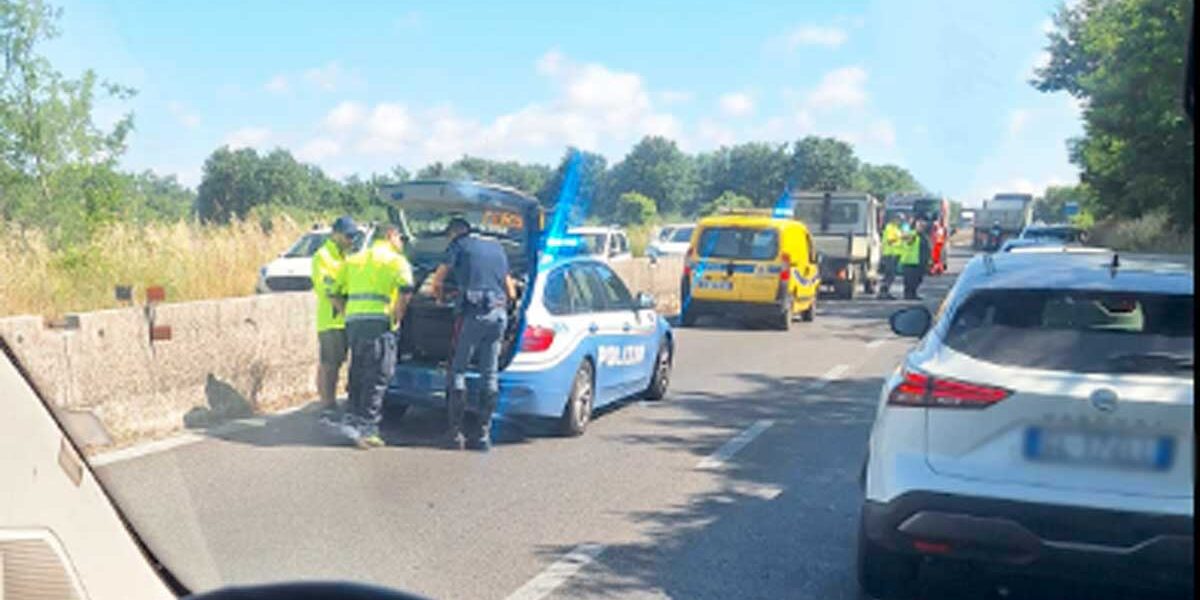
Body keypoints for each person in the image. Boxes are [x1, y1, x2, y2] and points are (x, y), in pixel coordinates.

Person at [428, 217, 517, 451]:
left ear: (455, 232)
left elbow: (436, 282)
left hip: (472, 315)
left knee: (458, 370)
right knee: (489, 373)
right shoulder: (498, 248)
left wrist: (439, 299)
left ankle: (455, 434)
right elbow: (511, 291)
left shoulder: (458, 245)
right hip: (498, 315)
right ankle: (483, 436)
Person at [337, 224, 413, 449]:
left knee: (357, 371)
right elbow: (406, 290)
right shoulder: (395, 261)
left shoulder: (354, 259)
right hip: (379, 323)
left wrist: (348, 313)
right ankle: (368, 430)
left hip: (354, 324)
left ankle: (350, 422)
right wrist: (397, 317)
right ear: (390, 235)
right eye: (401, 237)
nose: (402, 243)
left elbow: (333, 292)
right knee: (378, 376)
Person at [312, 216, 357, 420]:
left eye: (354, 236)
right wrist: (346, 313)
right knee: (330, 364)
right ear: (336, 234)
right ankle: (326, 405)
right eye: (348, 236)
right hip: (332, 319)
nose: (352, 240)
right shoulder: (323, 256)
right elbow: (329, 290)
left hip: (345, 318)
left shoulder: (345, 256)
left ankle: (333, 402)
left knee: (338, 362)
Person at [877, 213, 905, 300]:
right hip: (890, 254)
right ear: (895, 219)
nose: (901, 222)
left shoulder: (897, 229)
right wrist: (901, 238)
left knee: (891, 275)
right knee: (889, 275)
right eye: (900, 220)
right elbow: (890, 241)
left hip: (895, 255)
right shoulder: (890, 228)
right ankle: (883, 293)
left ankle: (885, 292)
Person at [900, 220, 923, 300]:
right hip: (910, 260)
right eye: (919, 226)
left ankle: (912, 294)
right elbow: (909, 242)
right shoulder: (912, 234)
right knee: (910, 280)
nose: (921, 227)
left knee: (913, 280)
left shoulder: (915, 235)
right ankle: (909, 295)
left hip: (913, 260)